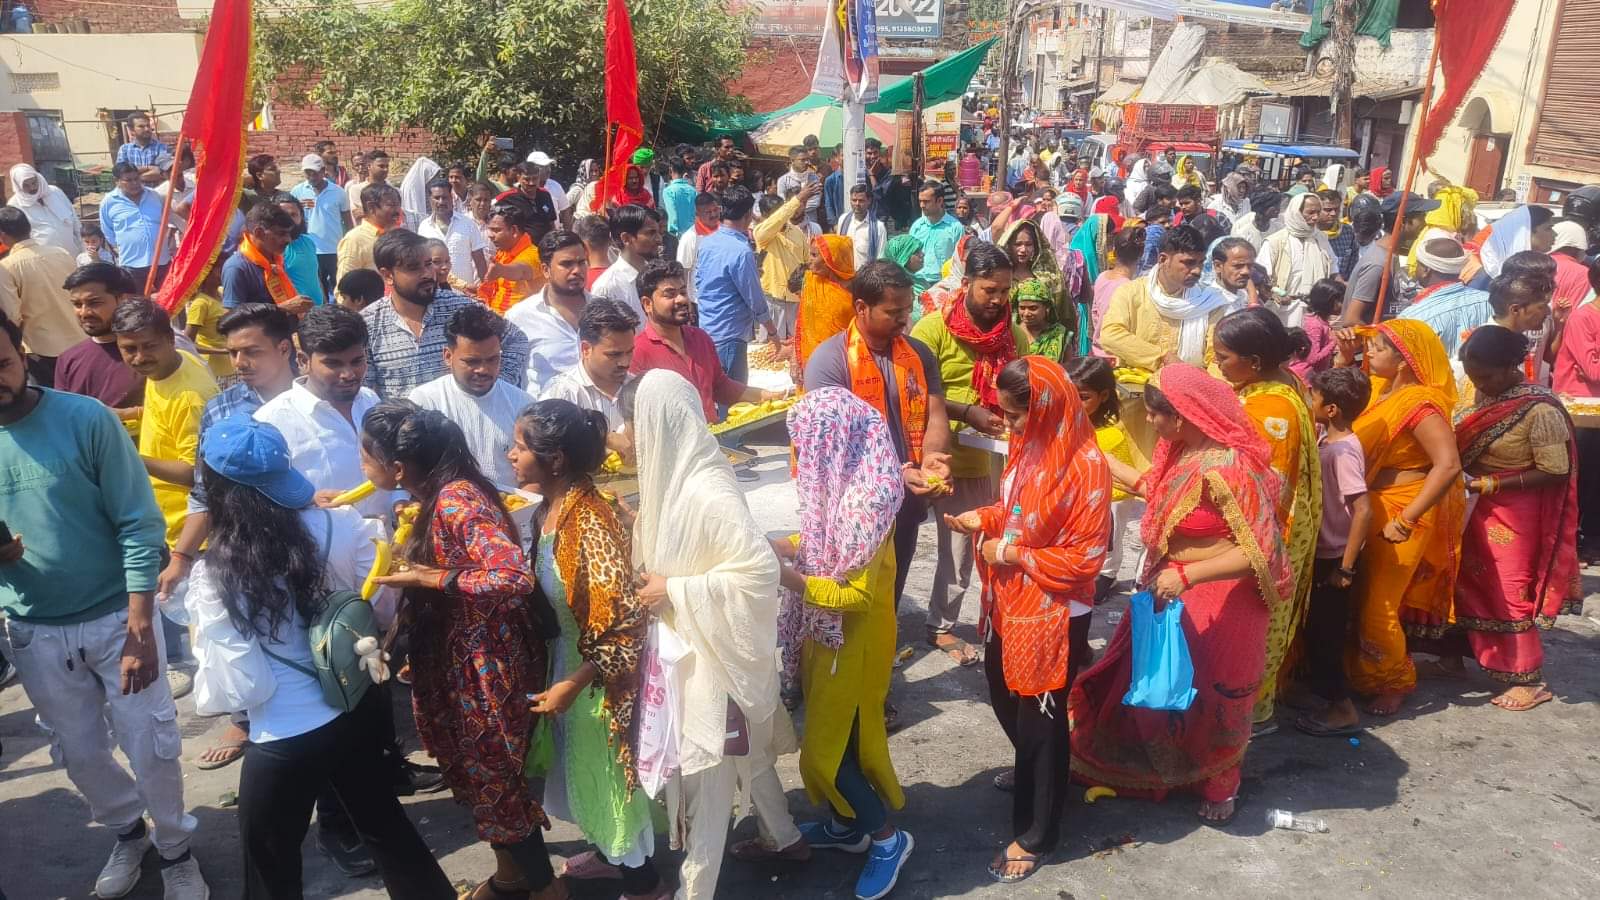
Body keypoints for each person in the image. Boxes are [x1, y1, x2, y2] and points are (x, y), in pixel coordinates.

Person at [185, 416, 455, 898]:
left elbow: (239, 688)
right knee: (388, 832)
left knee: (270, 868)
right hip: (356, 706)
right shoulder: (343, 522)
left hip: (284, 735)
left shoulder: (215, 574)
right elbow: (378, 605)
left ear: (217, 488)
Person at [0, 312, 210, 900]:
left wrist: (142, 623)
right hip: (33, 628)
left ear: (21, 351)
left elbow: (138, 522)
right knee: (79, 751)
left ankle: (176, 849)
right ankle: (127, 832)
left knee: (151, 742)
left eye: (4, 363)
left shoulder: (85, 419)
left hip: (118, 615)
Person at [1071, 364, 1293, 825]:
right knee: (1153, 680)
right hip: (1171, 582)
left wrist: (1189, 576)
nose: (1149, 423)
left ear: (1186, 415)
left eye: (1156, 415)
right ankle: (1158, 768)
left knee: (1212, 693)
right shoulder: (1183, 452)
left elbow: (1259, 552)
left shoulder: (1229, 468)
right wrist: (1088, 449)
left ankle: (1218, 784)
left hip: (1222, 597)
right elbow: (1148, 488)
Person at [359, 401, 558, 900]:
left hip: (486, 667)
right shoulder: (433, 496)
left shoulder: (456, 502)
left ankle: (547, 891)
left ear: (399, 467)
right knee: (482, 780)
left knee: (496, 783)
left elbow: (512, 574)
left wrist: (434, 576)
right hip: (461, 659)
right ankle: (512, 878)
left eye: (366, 456)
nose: (362, 466)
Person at [946, 357, 1109, 883]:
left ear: (1043, 409)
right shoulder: (1031, 444)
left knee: (1041, 711)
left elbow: (1085, 560)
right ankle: (1045, 774)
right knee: (1001, 688)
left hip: (1056, 608)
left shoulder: (1085, 466)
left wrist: (1011, 555)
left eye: (1016, 416)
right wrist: (985, 518)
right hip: (1012, 599)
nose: (1009, 426)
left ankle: (1039, 832)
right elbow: (1014, 511)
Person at [626, 370, 785, 900]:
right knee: (749, 755)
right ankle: (784, 837)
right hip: (686, 646)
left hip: (711, 658)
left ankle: (697, 890)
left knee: (709, 780)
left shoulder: (708, 490)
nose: (632, 432)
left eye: (638, 421)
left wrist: (678, 589)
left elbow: (759, 572)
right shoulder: (667, 482)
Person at [752, 388, 913, 897]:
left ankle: (888, 839)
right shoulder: (846, 487)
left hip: (854, 644)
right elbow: (824, 542)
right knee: (829, 740)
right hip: (830, 640)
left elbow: (856, 595)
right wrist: (785, 545)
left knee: (830, 753)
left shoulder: (867, 502)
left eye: (805, 446)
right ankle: (849, 827)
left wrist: (787, 578)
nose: (802, 458)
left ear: (833, 442)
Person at [505, 400, 665, 899]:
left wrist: (573, 686)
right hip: (569, 665)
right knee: (585, 773)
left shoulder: (589, 522)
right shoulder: (550, 510)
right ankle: (608, 854)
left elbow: (623, 626)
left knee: (612, 781)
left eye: (520, 446)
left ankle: (645, 887)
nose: (510, 454)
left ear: (554, 460)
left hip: (598, 681)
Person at [801, 259, 955, 624]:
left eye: (907, 309)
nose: (905, 318)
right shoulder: (830, 361)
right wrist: (892, 475)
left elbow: (935, 412)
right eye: (893, 311)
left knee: (892, 585)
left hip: (907, 500)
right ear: (861, 308)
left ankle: (880, 659)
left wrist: (933, 458)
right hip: (853, 506)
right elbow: (830, 450)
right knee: (849, 592)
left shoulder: (917, 354)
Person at [1333, 319, 1464, 716]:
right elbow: (1340, 403)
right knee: (1354, 592)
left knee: (1380, 602)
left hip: (1403, 507)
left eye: (1378, 348)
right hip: (1368, 505)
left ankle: (1394, 679)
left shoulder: (1422, 404)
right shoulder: (1380, 391)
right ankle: (1356, 672)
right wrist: (1344, 356)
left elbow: (1447, 465)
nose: (1369, 353)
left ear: (1404, 360)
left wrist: (1407, 519)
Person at [1453, 326, 1580, 710]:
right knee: (1464, 581)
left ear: (1512, 367)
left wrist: (1488, 484)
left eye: (1487, 377)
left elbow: (1555, 470)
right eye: (1474, 377)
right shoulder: (1480, 392)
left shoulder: (1539, 409)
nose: (1480, 385)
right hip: (1473, 505)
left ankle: (1528, 677)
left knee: (1509, 590)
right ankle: (1457, 654)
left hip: (1515, 512)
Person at [911, 242, 1025, 665]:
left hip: (999, 454)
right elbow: (915, 394)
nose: (997, 300)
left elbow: (1021, 384)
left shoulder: (1011, 332)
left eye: (1004, 290)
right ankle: (941, 626)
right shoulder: (932, 330)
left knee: (1001, 544)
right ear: (966, 285)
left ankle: (997, 620)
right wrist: (967, 411)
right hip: (948, 457)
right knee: (958, 547)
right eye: (988, 290)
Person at [1211, 307, 1322, 731]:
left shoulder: (1271, 409)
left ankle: (1248, 712)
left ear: (1254, 361)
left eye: (1223, 358)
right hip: (1275, 524)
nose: (1218, 366)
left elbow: (1264, 485)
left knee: (1255, 621)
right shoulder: (1280, 381)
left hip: (1269, 529)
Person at [1099, 225, 1235, 460]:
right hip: (1140, 411)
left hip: (1191, 412)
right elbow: (1110, 334)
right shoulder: (1132, 293)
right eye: (1188, 263)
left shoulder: (1211, 302)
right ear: (1163, 259)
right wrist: (1163, 358)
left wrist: (1198, 389)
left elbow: (1216, 357)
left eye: (1200, 264)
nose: (1196, 271)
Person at [1293, 366, 1374, 737]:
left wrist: (1345, 567)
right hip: (1324, 551)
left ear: (1331, 409)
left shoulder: (1342, 451)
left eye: (1314, 396)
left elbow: (1362, 509)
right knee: (1317, 631)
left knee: (1325, 635)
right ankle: (1323, 695)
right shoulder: (1329, 441)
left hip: (1334, 556)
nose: (1310, 401)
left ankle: (1342, 708)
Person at [364, 228, 530, 398]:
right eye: (413, 268)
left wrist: (497, 385)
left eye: (429, 264)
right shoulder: (369, 323)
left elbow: (517, 339)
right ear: (387, 275)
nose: (427, 274)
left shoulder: (460, 307)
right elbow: (364, 394)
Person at [112, 297, 220, 553]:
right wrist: (128, 413)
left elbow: (194, 473)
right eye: (129, 349)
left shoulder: (191, 397)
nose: (140, 357)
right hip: (165, 519)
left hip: (194, 536)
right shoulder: (171, 364)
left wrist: (127, 457)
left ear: (170, 339)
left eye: (149, 346)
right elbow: (166, 416)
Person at [629, 259, 783, 422]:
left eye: (683, 292)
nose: (681, 299)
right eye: (670, 294)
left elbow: (720, 386)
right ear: (647, 304)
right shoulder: (637, 352)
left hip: (710, 440)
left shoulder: (700, 339)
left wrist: (766, 395)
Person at [408, 304, 534, 490]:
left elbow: (535, 475)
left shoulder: (523, 404)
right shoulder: (425, 401)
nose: (483, 370)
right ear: (448, 356)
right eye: (472, 361)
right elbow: (414, 470)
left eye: (492, 360)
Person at [695, 186, 783, 385]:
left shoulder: (707, 243)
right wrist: (772, 332)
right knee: (733, 400)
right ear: (746, 215)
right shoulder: (741, 251)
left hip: (708, 329)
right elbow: (755, 299)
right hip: (730, 335)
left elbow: (703, 283)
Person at [541, 297, 638, 451]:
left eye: (630, 352)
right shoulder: (562, 393)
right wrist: (602, 439)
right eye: (614, 355)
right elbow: (545, 447)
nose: (625, 363)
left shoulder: (641, 389)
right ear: (586, 349)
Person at [54, 263, 145, 426]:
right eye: (77, 304)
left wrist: (130, 414)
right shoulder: (67, 360)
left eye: (94, 303)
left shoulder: (153, 350)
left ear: (123, 300)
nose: (84, 312)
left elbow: (183, 406)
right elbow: (64, 417)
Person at [0, 206, 79, 386]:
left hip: (42, 350)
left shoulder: (7, 267)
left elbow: (12, 317)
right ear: (28, 227)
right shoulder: (61, 253)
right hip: (79, 340)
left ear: (2, 235)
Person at [507, 229, 593, 393]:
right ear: (545, 270)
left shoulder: (602, 310)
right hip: (545, 415)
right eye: (566, 264)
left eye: (582, 262)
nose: (577, 270)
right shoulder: (520, 317)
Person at [1342, 192, 1442, 325]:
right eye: (1421, 217)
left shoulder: (1392, 256)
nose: (1425, 223)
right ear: (1404, 222)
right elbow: (1351, 319)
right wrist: (1383, 339)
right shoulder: (1378, 264)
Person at [223, 202, 317, 314]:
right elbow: (232, 318)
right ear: (259, 233)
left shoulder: (277, 259)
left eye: (289, 234)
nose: (288, 240)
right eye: (281, 234)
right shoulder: (237, 267)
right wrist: (282, 309)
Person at [1260, 192, 1335, 328]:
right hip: (1283, 312)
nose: (1316, 217)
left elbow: (1333, 270)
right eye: (1310, 212)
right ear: (1297, 213)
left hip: (1314, 311)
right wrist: (1278, 294)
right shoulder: (1275, 242)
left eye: (1318, 212)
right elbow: (1261, 278)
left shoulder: (1321, 239)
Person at [754, 189, 815, 346]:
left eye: (784, 210)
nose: (784, 215)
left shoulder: (797, 232)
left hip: (796, 299)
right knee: (770, 350)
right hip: (773, 299)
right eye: (778, 213)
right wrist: (798, 199)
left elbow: (807, 261)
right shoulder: (761, 233)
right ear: (767, 216)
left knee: (797, 348)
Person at [99, 162, 173, 290]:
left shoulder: (154, 196)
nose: (134, 183)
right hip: (132, 264)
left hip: (162, 261)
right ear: (117, 181)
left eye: (136, 178)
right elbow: (108, 232)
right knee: (137, 305)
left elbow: (167, 222)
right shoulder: (108, 202)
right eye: (128, 180)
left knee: (171, 302)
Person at [794, 233, 857, 372]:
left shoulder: (857, 288)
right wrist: (796, 358)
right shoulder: (810, 281)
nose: (809, 260)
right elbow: (801, 322)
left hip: (845, 362)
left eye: (814, 255)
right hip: (811, 360)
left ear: (831, 259)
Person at [292, 154, 351, 298]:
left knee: (339, 287)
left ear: (323, 170)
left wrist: (348, 242)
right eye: (308, 172)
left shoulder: (338, 192)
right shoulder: (297, 191)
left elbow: (347, 220)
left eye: (315, 172)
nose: (311, 176)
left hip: (334, 248)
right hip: (309, 249)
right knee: (317, 287)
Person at [592, 204, 660, 325]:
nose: (659, 239)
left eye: (659, 232)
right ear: (626, 238)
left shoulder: (659, 275)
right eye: (651, 233)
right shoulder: (606, 288)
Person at [417, 177, 489, 291]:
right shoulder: (424, 227)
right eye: (437, 198)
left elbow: (480, 261)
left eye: (445, 197)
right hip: (435, 294)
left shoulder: (467, 224)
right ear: (430, 199)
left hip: (465, 293)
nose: (441, 202)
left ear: (451, 198)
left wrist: (486, 289)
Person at [1087, 224, 1143, 358]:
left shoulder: (1102, 277)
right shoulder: (1132, 288)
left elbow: (1095, 313)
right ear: (1141, 255)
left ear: (1114, 251)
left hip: (1096, 352)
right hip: (1117, 357)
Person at [479, 202, 546, 315]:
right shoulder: (504, 251)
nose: (490, 235)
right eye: (490, 229)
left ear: (514, 231)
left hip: (520, 325)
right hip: (496, 320)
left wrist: (501, 270)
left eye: (496, 230)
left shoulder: (532, 254)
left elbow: (520, 271)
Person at [6, 162, 81, 256]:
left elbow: (74, 219)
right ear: (18, 186)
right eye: (26, 185)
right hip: (44, 259)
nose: (32, 188)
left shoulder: (55, 192)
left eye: (34, 182)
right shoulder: (15, 204)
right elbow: (17, 238)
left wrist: (83, 247)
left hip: (73, 253)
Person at [336, 183, 403, 282]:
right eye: (391, 205)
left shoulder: (398, 235)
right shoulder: (354, 240)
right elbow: (344, 288)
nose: (397, 210)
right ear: (371, 207)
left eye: (398, 205)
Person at [909, 185, 968, 294]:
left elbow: (960, 261)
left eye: (926, 201)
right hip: (917, 284)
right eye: (920, 201)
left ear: (940, 201)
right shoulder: (917, 226)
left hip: (943, 286)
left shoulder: (955, 227)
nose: (922, 205)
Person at [273, 192, 329, 305]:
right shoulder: (273, 248)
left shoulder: (308, 242)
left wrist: (325, 304)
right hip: (293, 315)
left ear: (301, 216)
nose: (289, 220)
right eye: (284, 215)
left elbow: (316, 278)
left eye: (294, 215)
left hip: (317, 313)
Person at [1287, 277, 1342, 381]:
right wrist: (1333, 342)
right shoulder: (1315, 324)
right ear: (1327, 302)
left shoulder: (1322, 321)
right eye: (1338, 300)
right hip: (1306, 379)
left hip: (1315, 376)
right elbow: (1311, 358)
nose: (1342, 304)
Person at [675, 191, 720, 302]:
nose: (713, 215)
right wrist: (685, 299)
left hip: (722, 296)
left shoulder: (725, 231)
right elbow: (683, 270)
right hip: (700, 300)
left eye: (715, 210)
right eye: (708, 212)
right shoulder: (690, 237)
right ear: (697, 214)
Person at [837, 183, 888, 270]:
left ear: (869, 201)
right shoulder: (843, 220)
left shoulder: (879, 227)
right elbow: (837, 248)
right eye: (854, 200)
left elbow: (881, 258)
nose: (857, 204)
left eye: (861, 200)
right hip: (845, 276)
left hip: (865, 279)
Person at [114, 113, 172, 179]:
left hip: (155, 189)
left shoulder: (161, 148)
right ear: (132, 130)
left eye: (148, 126)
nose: (147, 129)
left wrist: (133, 177)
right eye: (141, 126)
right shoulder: (125, 149)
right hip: (132, 189)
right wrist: (150, 169)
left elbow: (163, 172)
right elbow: (121, 173)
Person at [1230, 189, 1281, 253]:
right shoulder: (1243, 234)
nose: (1278, 209)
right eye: (1275, 206)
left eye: (1278, 206)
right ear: (1263, 208)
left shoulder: (1278, 229)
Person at [662, 156, 698, 237]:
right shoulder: (693, 190)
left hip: (677, 235)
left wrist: (673, 234)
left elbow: (672, 215)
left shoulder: (668, 191)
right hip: (694, 233)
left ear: (670, 170)